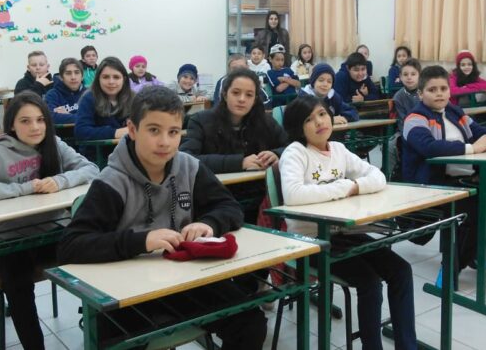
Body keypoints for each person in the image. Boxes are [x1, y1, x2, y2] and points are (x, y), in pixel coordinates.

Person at [58, 86, 267, 349]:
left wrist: (208, 223)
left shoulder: (189, 167)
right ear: (133, 130)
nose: (165, 142)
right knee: (117, 340)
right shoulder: (111, 182)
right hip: (128, 290)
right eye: (154, 130)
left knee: (250, 322)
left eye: (174, 132)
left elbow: (229, 207)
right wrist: (141, 241)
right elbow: (70, 246)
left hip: (186, 280)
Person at [0, 91, 99, 350]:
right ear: (11, 124)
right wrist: (24, 188)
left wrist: (60, 181)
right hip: (10, 240)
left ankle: (101, 331)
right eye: (25, 121)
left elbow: (91, 169)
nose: (35, 127)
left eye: (40, 120)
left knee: (100, 258)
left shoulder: (54, 143)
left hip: (54, 233)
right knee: (19, 288)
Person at [280, 95, 416, 350]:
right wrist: (345, 186)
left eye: (322, 114)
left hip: (345, 233)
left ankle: (407, 345)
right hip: (310, 243)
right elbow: (294, 194)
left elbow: (378, 176)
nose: (319, 122)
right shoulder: (296, 153)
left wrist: (354, 186)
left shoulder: (339, 150)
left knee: (401, 271)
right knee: (370, 282)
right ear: (298, 127)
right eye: (309, 119)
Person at [403, 65, 486, 283]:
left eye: (443, 88)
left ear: (450, 91)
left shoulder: (455, 112)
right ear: (421, 94)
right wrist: (472, 148)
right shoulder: (415, 118)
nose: (439, 93)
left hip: (466, 179)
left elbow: (482, 132)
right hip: (432, 186)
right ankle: (451, 267)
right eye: (432, 90)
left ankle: (485, 256)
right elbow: (428, 147)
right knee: (475, 212)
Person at [181, 68, 288, 223]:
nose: (242, 99)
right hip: (216, 201)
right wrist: (239, 162)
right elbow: (187, 158)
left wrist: (277, 154)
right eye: (236, 93)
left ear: (255, 99)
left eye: (249, 95)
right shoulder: (201, 121)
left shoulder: (266, 121)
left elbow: (293, 147)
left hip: (260, 199)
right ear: (225, 94)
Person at [75, 57, 134, 162]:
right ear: (98, 79)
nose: (111, 82)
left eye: (116, 77)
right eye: (106, 77)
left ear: (124, 79)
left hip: (129, 155)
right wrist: (115, 132)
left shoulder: (133, 98)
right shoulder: (89, 98)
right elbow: (81, 131)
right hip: (98, 158)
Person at [45, 58, 86, 124]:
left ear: (82, 76)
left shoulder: (90, 93)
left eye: (77, 72)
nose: (73, 77)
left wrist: (67, 115)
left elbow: (98, 117)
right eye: (68, 73)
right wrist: (84, 117)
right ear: (61, 77)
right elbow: (50, 116)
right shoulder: (52, 95)